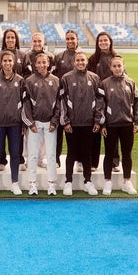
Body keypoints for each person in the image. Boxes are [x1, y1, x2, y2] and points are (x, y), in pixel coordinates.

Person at [59, 51, 104, 196]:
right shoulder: (66, 78)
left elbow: (100, 101)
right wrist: (65, 121)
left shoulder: (95, 78)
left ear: (86, 61)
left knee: (86, 153)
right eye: (77, 60)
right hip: (71, 123)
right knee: (71, 153)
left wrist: (97, 120)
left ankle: (87, 182)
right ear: (74, 62)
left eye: (82, 60)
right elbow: (61, 102)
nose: (80, 62)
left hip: (88, 123)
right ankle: (68, 181)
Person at [100, 55, 138, 195]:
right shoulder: (104, 83)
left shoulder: (131, 82)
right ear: (110, 68)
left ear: (124, 66)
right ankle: (107, 182)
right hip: (111, 125)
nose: (117, 68)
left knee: (127, 154)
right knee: (109, 154)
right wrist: (102, 124)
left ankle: (126, 181)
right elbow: (100, 106)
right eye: (114, 66)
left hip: (127, 124)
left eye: (119, 66)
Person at [22, 52, 61, 195]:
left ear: (48, 63)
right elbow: (26, 104)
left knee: (51, 155)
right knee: (32, 155)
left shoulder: (56, 80)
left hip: (50, 124)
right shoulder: (29, 81)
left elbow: (59, 104)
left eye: (44, 62)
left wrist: (55, 121)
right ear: (35, 64)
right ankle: (32, 183)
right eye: (39, 62)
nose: (42, 65)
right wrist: (30, 123)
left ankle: (51, 184)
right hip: (35, 124)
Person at [0, 50, 24, 195]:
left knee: (15, 153)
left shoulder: (20, 80)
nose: (7, 63)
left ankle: (14, 183)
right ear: (1, 63)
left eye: (10, 61)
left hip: (15, 123)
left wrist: (24, 123)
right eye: (5, 61)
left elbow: (24, 103)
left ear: (14, 62)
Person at [0, 28, 26, 172]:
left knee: (17, 134)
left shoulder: (23, 55)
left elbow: (28, 76)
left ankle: (19, 159)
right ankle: (2, 160)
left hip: (16, 92)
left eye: (13, 37)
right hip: (1, 94)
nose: (10, 40)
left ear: (16, 39)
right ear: (4, 39)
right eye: (8, 37)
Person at [88, 31, 119, 172]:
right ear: (97, 43)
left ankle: (114, 161)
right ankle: (93, 162)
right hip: (96, 98)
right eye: (100, 41)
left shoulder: (116, 57)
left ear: (110, 42)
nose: (103, 43)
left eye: (105, 40)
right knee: (95, 128)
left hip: (112, 98)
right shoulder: (93, 59)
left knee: (112, 130)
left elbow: (122, 76)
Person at [51, 29, 79, 168]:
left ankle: (78, 159)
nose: (70, 41)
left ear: (77, 40)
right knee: (59, 129)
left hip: (77, 98)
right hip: (60, 98)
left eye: (72, 38)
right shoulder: (58, 57)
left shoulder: (81, 56)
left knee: (76, 130)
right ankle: (56, 158)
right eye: (68, 39)